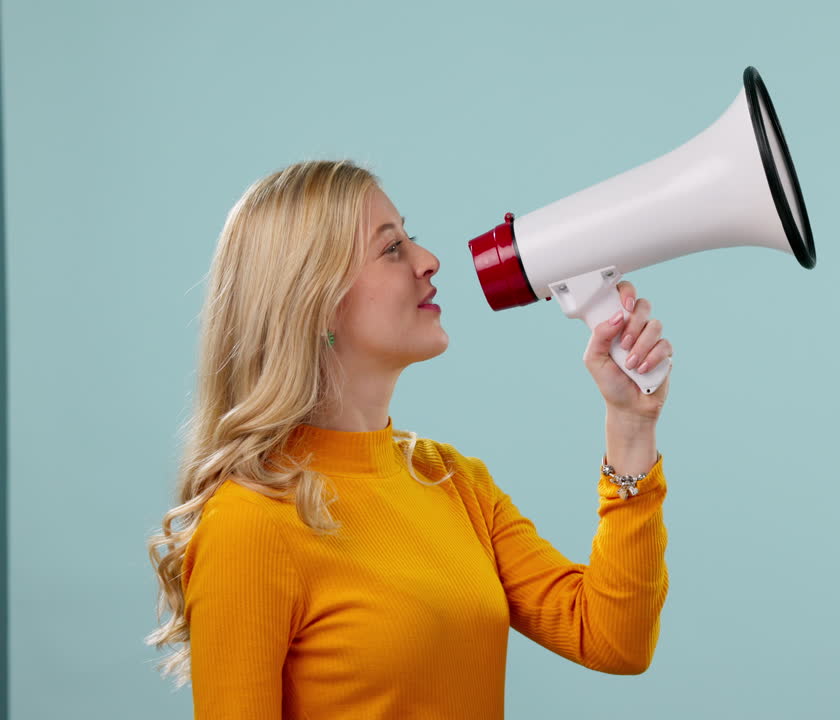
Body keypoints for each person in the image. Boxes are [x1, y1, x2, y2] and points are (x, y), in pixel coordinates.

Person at [144, 159, 673, 719]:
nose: (428, 260)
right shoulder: (250, 523)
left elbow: (614, 639)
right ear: (314, 300)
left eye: (409, 237)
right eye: (392, 248)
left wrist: (631, 425)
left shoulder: (452, 481)